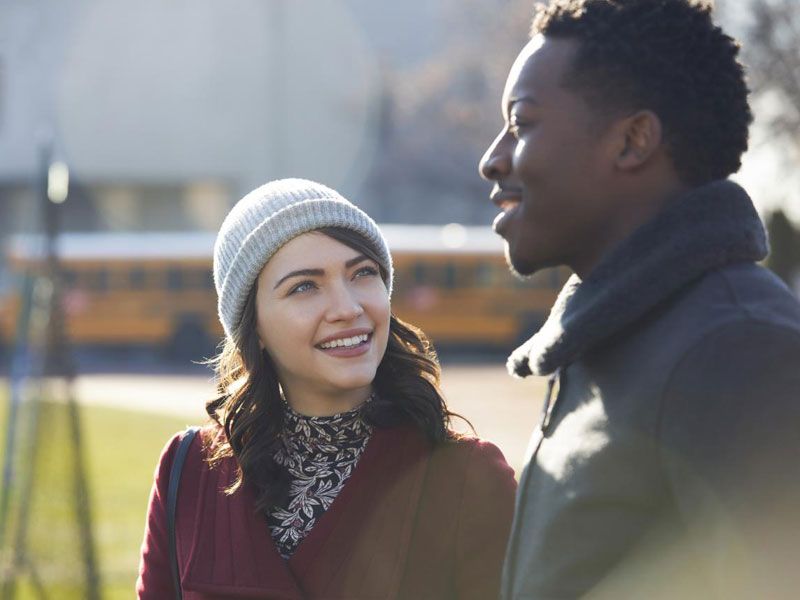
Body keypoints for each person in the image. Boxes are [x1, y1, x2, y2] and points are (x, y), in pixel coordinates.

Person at [478, 1, 800, 598]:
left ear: (633, 140)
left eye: (521, 123)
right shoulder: (614, 336)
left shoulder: (739, 347)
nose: (492, 159)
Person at [136, 178, 516, 599]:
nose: (348, 308)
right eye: (304, 286)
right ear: (254, 326)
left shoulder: (469, 478)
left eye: (363, 274)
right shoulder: (188, 470)